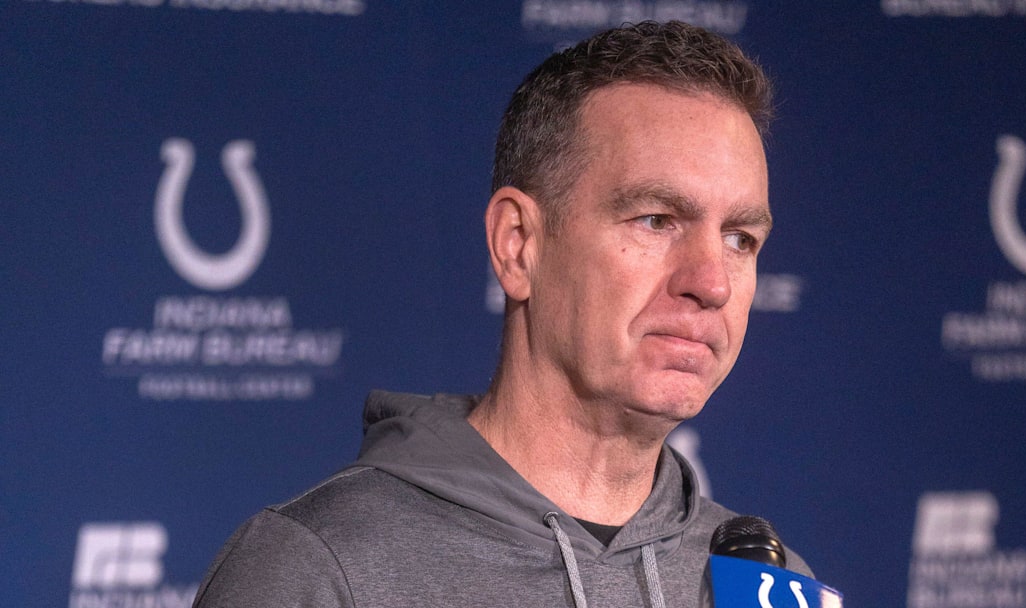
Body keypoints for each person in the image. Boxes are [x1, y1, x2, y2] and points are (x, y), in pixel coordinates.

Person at [193, 20, 812, 608]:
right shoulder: (317, 569)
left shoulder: (768, 582)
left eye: (740, 239)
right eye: (656, 220)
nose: (711, 284)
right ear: (518, 245)